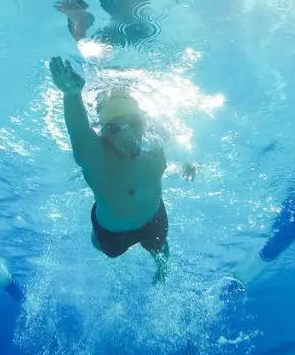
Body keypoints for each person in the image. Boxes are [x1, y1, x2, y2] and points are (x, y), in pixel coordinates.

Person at [48, 56, 195, 284]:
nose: (127, 134)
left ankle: (162, 269)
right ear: (105, 131)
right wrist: (71, 94)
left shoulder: (155, 142)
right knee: (104, 249)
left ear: (144, 123)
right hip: (112, 231)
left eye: (134, 123)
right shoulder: (96, 156)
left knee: (159, 249)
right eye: (116, 127)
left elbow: (178, 140)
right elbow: (78, 130)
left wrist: (187, 161)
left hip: (153, 218)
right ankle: (96, 238)